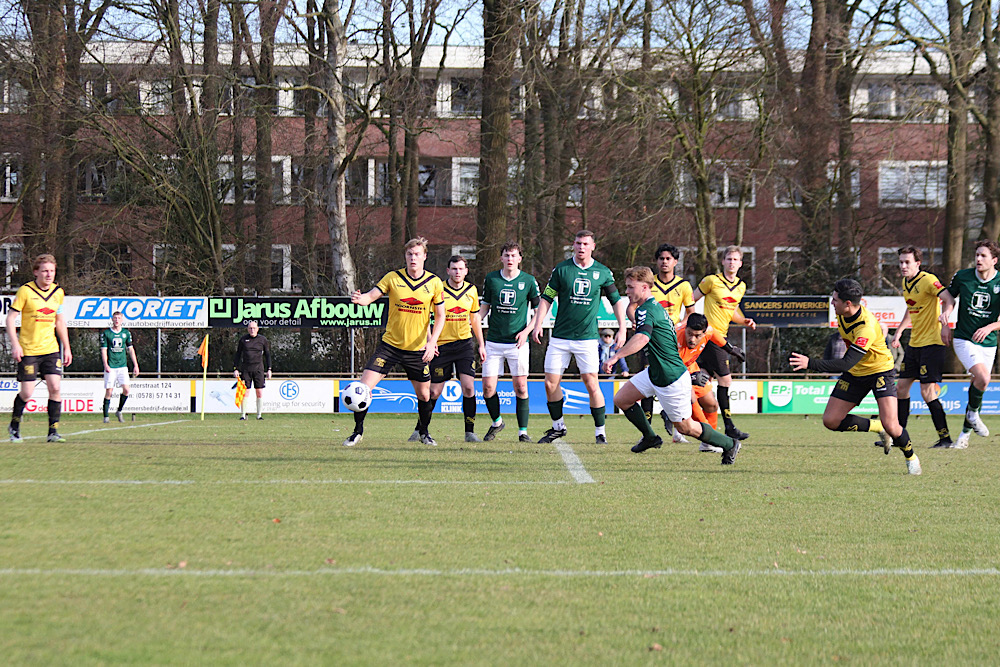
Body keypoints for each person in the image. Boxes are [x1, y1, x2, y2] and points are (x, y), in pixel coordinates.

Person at [604, 266, 741, 464]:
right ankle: (650, 437)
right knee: (622, 399)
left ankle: (729, 444)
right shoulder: (651, 308)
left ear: (644, 288)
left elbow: (642, 338)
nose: (626, 291)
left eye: (630, 287)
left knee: (686, 427)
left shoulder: (647, 309)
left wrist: (615, 357)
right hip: (656, 372)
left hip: (671, 377)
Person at [789, 278, 921, 475]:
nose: (832, 303)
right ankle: (877, 426)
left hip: (879, 371)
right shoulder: (842, 314)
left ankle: (911, 457)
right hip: (856, 372)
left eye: (835, 300)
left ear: (848, 304)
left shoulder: (865, 327)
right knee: (831, 420)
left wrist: (811, 364)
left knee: (893, 425)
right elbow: (850, 364)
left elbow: (845, 363)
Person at [344, 237, 445, 447]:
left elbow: (441, 315)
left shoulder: (434, 282)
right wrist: (360, 300)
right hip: (389, 347)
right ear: (405, 256)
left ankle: (424, 433)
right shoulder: (393, 277)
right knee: (363, 388)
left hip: (417, 350)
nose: (413, 258)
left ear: (425, 257)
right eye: (409, 254)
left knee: (425, 395)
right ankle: (357, 432)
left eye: (417, 254)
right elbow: (371, 296)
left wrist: (432, 341)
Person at [531, 230, 628, 444]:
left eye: (585, 243)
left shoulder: (602, 272)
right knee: (550, 384)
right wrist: (538, 323)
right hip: (560, 337)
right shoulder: (562, 269)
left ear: (593, 246)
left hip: (586, 338)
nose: (581, 247)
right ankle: (558, 427)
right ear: (573, 246)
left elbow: (616, 301)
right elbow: (546, 298)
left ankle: (600, 431)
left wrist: (623, 328)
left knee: (591, 383)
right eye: (577, 243)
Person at [408, 255, 486, 442]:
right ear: (448, 271)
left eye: (461, 269)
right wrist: (430, 341)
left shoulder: (472, 290)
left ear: (466, 271)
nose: (457, 272)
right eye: (454, 269)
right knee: (433, 392)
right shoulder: (438, 288)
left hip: (464, 345)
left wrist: (481, 344)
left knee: (468, 387)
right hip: (441, 346)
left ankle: (470, 432)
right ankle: (420, 429)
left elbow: (475, 319)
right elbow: (424, 317)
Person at [938, 239, 1000, 449]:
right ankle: (973, 415)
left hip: (989, 342)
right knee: (983, 377)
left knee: (979, 383)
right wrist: (946, 318)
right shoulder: (963, 276)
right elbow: (948, 297)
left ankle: (964, 435)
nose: (978, 259)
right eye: (977, 255)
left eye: (983, 256)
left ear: (994, 260)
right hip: (964, 338)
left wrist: (990, 327)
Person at [691, 245, 756, 441]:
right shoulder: (712, 280)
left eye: (735, 260)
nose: (732, 262)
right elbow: (691, 300)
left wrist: (743, 320)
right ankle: (729, 426)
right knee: (725, 381)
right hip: (710, 336)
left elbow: (732, 311)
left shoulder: (741, 286)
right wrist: (695, 326)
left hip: (722, 336)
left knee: (702, 378)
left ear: (741, 263)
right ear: (723, 261)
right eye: (728, 259)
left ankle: (680, 412)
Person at [6, 254, 73, 443]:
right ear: (36, 272)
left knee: (55, 387)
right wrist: (15, 344)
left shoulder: (58, 293)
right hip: (28, 350)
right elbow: (10, 319)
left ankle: (53, 431)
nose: (49, 274)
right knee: (27, 393)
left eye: (52, 271)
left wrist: (66, 347)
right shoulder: (25, 291)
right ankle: (14, 426)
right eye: (45, 270)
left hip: (50, 349)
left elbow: (59, 321)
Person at [889, 247, 952, 448]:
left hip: (932, 344)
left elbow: (948, 298)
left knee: (927, 392)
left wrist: (945, 322)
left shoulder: (927, 279)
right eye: (901, 262)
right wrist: (899, 331)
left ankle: (945, 438)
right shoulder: (905, 283)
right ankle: (900, 435)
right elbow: (911, 306)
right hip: (915, 344)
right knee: (901, 388)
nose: (903, 266)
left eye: (907, 262)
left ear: (918, 263)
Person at [479, 241, 540, 443]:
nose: (510, 259)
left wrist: (526, 332)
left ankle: (523, 432)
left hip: (517, 343)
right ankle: (497, 422)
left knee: (521, 387)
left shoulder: (529, 281)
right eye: (506, 255)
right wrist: (475, 323)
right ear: (501, 258)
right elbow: (485, 307)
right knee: (488, 388)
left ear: (520, 258)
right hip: (494, 342)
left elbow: (540, 311)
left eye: (514, 256)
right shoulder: (492, 279)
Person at [675, 313, 745, 451]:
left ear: (704, 332)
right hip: (675, 375)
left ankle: (707, 444)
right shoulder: (676, 339)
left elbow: (716, 336)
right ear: (686, 329)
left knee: (712, 405)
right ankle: (710, 438)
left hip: (691, 369)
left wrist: (732, 350)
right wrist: (692, 378)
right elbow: (670, 369)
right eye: (689, 333)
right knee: (692, 398)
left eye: (697, 336)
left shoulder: (709, 331)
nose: (692, 339)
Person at [647, 243, 695, 431]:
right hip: (651, 338)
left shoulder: (683, 285)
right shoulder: (649, 284)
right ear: (656, 261)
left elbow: (690, 312)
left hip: (673, 340)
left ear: (675, 261)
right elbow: (635, 307)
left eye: (668, 259)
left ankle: (672, 416)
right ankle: (648, 429)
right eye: (661, 258)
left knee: (675, 378)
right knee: (649, 378)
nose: (664, 262)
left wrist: (679, 327)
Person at [100, 311, 140, 423]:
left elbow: (131, 350)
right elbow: (103, 350)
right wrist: (106, 364)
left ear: (122, 320)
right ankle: (106, 417)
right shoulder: (107, 333)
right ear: (112, 319)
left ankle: (119, 410)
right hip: (111, 366)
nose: (117, 320)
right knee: (109, 391)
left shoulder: (126, 333)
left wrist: (136, 365)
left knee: (126, 390)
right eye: (115, 318)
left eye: (119, 318)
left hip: (122, 366)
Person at [233, 320, 272, 420]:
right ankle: (243, 414)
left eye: (254, 328)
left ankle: (259, 415)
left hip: (259, 369)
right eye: (250, 328)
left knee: (259, 392)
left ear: (257, 329)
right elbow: (238, 354)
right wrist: (236, 368)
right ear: (248, 329)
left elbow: (267, 355)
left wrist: (269, 369)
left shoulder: (263, 340)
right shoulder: (243, 339)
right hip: (246, 369)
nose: (252, 330)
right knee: (245, 392)